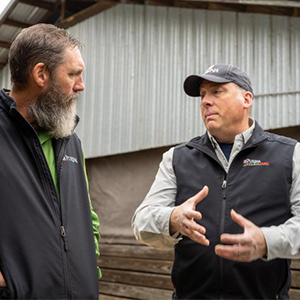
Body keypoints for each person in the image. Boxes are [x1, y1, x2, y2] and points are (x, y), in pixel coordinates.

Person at [132, 64, 300, 300]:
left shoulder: (289, 154)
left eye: (216, 92)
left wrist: (266, 242)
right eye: (202, 95)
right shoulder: (177, 158)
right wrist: (171, 219)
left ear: (246, 99)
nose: (205, 101)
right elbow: (141, 222)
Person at [0, 24, 100, 300]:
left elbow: (87, 218)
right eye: (73, 74)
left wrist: (89, 269)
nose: (81, 85)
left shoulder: (70, 141)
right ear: (41, 74)